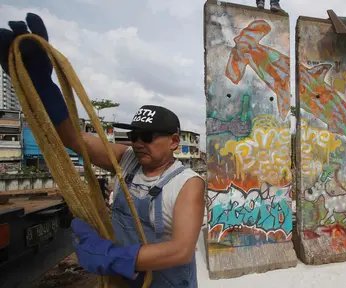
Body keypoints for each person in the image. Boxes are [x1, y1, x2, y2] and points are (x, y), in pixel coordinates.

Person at [0, 13, 205, 288]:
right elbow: (74, 138)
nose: (138, 143)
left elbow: (180, 250)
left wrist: (111, 255)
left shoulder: (187, 184)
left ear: (174, 141)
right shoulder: (127, 159)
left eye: (147, 136)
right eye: (133, 136)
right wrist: (38, 84)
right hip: (122, 280)